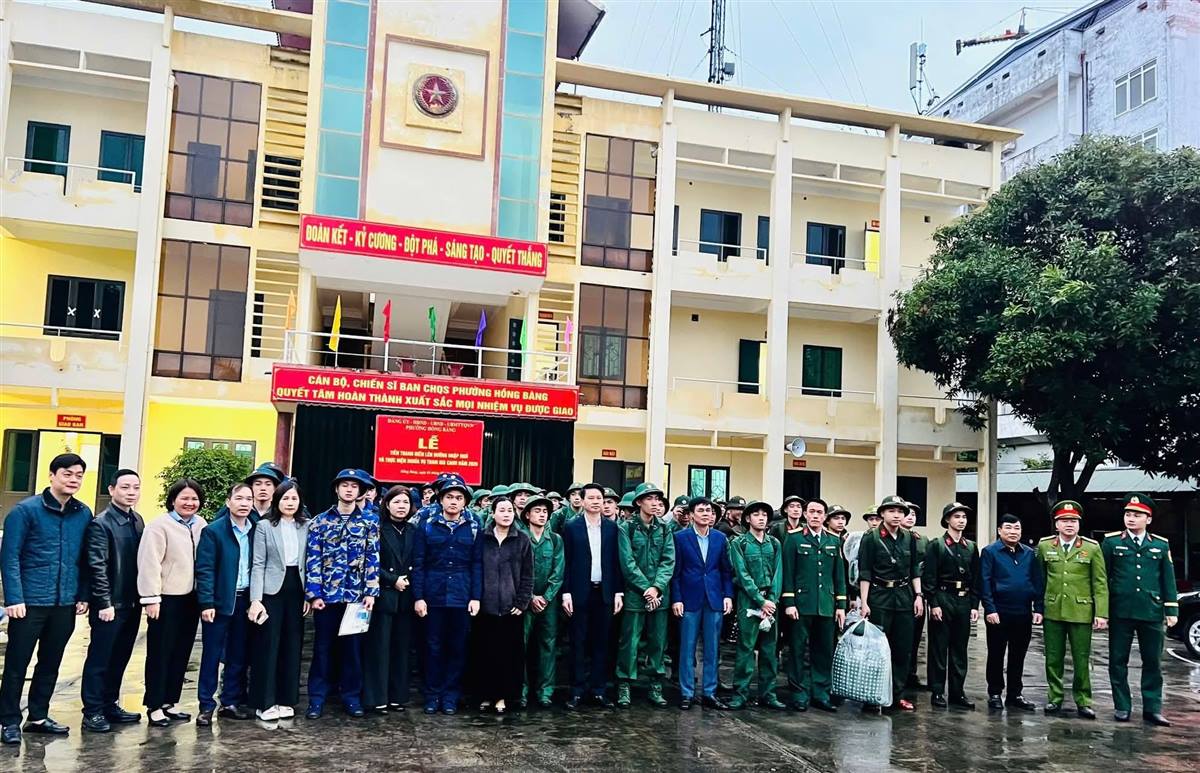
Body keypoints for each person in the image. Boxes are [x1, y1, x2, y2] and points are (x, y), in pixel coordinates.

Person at [0, 453, 92, 744]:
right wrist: (14, 598)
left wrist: (83, 594)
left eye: (79, 475)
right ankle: (8, 721)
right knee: (17, 664)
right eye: (67, 473)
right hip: (29, 602)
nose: (73, 479)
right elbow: (9, 557)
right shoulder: (25, 511)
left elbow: (85, 558)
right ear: (52, 475)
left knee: (51, 662)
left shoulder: (83, 513)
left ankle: (38, 716)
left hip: (65, 603)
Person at [304, 468, 381, 719]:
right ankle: (317, 699)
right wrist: (314, 594)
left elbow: (372, 557)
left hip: (356, 598)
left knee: (352, 650)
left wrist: (371, 591)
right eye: (344, 485)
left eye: (354, 486)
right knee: (323, 649)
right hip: (327, 597)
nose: (349, 490)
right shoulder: (320, 521)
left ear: (361, 492)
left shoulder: (369, 522)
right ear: (336, 489)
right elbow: (313, 559)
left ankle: (351, 697)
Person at [1102, 493, 1178, 726]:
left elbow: (1168, 578)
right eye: (1128, 514)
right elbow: (1103, 578)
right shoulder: (1111, 542)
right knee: (1118, 660)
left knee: (1153, 661)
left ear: (1149, 519)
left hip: (1151, 610)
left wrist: (1171, 610)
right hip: (1121, 610)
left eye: (1137, 515)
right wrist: (1102, 611)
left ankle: (1152, 708)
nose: (1131, 518)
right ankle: (1122, 706)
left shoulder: (1160, 544)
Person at [138, 478, 207, 727]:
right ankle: (154, 705)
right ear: (173, 500)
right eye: (184, 498)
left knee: (181, 651)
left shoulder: (201, 524)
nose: (190, 503)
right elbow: (149, 563)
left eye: (194, 498)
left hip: (191, 598)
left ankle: (170, 701)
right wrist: (151, 598)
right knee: (160, 652)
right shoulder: (159, 526)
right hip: (165, 599)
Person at [81, 468, 146, 733]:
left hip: (132, 602)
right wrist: (104, 602)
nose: (131, 493)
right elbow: (97, 566)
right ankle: (92, 711)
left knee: (120, 657)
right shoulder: (101, 523)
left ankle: (110, 704)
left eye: (136, 488)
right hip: (110, 605)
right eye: (125, 487)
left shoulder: (137, 520)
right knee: (100, 659)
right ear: (111, 490)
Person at [412, 477, 478, 715]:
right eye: (449, 497)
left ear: (465, 502)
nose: (454, 501)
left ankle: (450, 696)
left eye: (459, 498)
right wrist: (418, 597)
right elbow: (419, 563)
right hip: (433, 595)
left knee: (457, 648)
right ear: (440, 500)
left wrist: (475, 596)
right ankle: (432, 695)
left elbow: (477, 563)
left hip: (462, 594)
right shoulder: (427, 525)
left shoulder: (473, 526)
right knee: (433, 647)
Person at [1037, 500, 1107, 719]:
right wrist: (1037, 607)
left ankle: (1083, 700)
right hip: (1053, 609)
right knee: (1053, 658)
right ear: (1056, 524)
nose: (1069, 524)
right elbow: (1039, 579)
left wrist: (1101, 613)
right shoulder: (1045, 546)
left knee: (1081, 658)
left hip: (1081, 611)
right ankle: (1055, 697)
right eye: (1065, 520)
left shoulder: (1091, 548)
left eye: (1074, 521)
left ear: (1079, 524)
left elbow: (1100, 582)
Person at [195, 483, 259, 725]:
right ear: (228, 502)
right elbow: (205, 569)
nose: (244, 503)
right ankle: (206, 706)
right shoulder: (214, 531)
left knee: (238, 655)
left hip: (245, 601)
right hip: (219, 602)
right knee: (211, 656)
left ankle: (229, 702)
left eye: (248, 499)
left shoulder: (256, 530)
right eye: (239, 498)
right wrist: (206, 602)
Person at [247, 479, 310, 721]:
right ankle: (264, 702)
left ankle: (286, 699)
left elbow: (310, 562)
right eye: (285, 498)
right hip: (271, 591)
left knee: (292, 646)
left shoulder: (307, 525)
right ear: (277, 501)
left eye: (294, 498)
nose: (290, 503)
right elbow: (258, 564)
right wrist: (256, 599)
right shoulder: (264, 526)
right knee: (268, 645)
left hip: (297, 588)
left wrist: (309, 594)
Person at [857, 495, 923, 712]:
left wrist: (918, 596)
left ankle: (897, 695)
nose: (896, 515)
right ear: (882, 514)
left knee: (902, 648)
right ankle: (872, 696)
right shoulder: (871, 537)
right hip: (879, 596)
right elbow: (865, 571)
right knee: (876, 649)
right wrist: (864, 602)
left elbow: (914, 569)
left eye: (900, 511)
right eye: (891, 511)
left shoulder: (909, 537)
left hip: (904, 596)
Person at [561, 483, 624, 708]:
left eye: (600, 498)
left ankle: (599, 690)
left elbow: (616, 562)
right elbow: (566, 562)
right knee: (578, 642)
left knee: (602, 642)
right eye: (592, 498)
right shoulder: (571, 527)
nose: (597, 502)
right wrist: (566, 592)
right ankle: (577, 691)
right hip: (579, 592)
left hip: (604, 592)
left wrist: (618, 592)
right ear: (582, 500)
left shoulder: (612, 528)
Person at [781, 497, 846, 712]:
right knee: (797, 650)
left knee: (824, 651)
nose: (815, 515)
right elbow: (788, 572)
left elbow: (839, 576)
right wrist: (789, 602)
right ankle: (799, 693)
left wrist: (840, 605)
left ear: (825, 517)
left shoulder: (834, 541)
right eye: (811, 511)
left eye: (819, 512)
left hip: (826, 604)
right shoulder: (794, 538)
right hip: (801, 604)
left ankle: (821, 693)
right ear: (805, 515)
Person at [469, 497, 533, 713]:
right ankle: (485, 695)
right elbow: (474, 569)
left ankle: (503, 697)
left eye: (509, 510)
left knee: (508, 655)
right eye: (502, 510)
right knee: (485, 653)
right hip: (485, 607)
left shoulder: (522, 539)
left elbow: (528, 575)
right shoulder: (482, 538)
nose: (506, 514)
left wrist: (522, 601)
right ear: (493, 513)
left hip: (511, 608)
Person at [671, 496, 734, 710]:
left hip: (714, 598)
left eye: (709, 511)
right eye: (701, 510)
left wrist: (727, 595)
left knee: (712, 648)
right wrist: (677, 598)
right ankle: (687, 693)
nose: (706, 514)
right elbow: (675, 572)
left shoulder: (720, 538)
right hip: (689, 598)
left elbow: (726, 570)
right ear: (691, 515)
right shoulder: (680, 538)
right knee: (687, 648)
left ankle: (709, 692)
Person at [615, 483, 675, 708]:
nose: (654, 503)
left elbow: (668, 560)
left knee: (658, 642)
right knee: (629, 643)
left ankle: (655, 684)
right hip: (635, 595)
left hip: (659, 596)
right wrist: (645, 588)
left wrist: (657, 587)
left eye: (657, 499)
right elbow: (627, 563)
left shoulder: (665, 528)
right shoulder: (626, 528)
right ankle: (624, 684)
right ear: (639, 502)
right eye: (649, 499)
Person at [979, 513, 1043, 712]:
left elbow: (1037, 581)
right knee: (996, 654)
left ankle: (1015, 694)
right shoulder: (990, 552)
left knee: (1018, 655)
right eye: (1008, 527)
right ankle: (995, 692)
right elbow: (985, 582)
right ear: (999, 530)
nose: (1013, 532)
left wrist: (1038, 608)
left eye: (1017, 528)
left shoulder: (1029, 553)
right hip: (999, 612)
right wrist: (990, 609)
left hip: (1022, 612)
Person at [363, 485, 417, 714]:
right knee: (379, 649)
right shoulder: (377, 528)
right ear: (386, 504)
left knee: (402, 649)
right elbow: (369, 561)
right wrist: (392, 579)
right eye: (396, 502)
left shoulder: (414, 530)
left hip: (407, 597)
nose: (401, 506)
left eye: (405, 502)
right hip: (384, 595)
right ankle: (377, 698)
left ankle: (398, 697)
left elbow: (420, 560)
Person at [923, 502, 981, 710]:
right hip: (943, 597)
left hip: (963, 600)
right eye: (956, 516)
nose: (961, 520)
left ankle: (958, 692)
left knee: (960, 648)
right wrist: (934, 603)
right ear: (947, 520)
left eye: (964, 517)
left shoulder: (971, 547)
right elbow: (929, 577)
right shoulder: (937, 545)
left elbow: (976, 578)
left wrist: (974, 605)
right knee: (939, 647)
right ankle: (938, 691)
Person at [729, 500, 786, 711]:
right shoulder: (739, 543)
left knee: (769, 650)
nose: (761, 518)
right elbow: (741, 574)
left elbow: (778, 573)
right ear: (747, 518)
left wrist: (771, 600)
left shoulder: (774, 543)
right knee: (745, 649)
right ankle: (740, 694)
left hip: (771, 603)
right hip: (749, 601)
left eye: (764, 514)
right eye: (756, 514)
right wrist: (760, 600)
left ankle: (768, 694)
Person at [520, 496, 563, 708]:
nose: (542, 515)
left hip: (548, 602)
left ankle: (545, 691)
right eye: (537, 511)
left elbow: (558, 571)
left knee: (548, 645)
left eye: (545, 511)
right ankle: (521, 690)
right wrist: (530, 597)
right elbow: (517, 571)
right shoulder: (520, 538)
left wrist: (545, 597)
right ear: (527, 515)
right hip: (524, 601)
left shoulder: (555, 539)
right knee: (522, 645)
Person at [902, 503, 929, 691]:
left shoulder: (922, 540)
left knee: (915, 636)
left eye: (914, 514)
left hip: (917, 593)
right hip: (899, 590)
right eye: (908, 513)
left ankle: (911, 674)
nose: (911, 517)